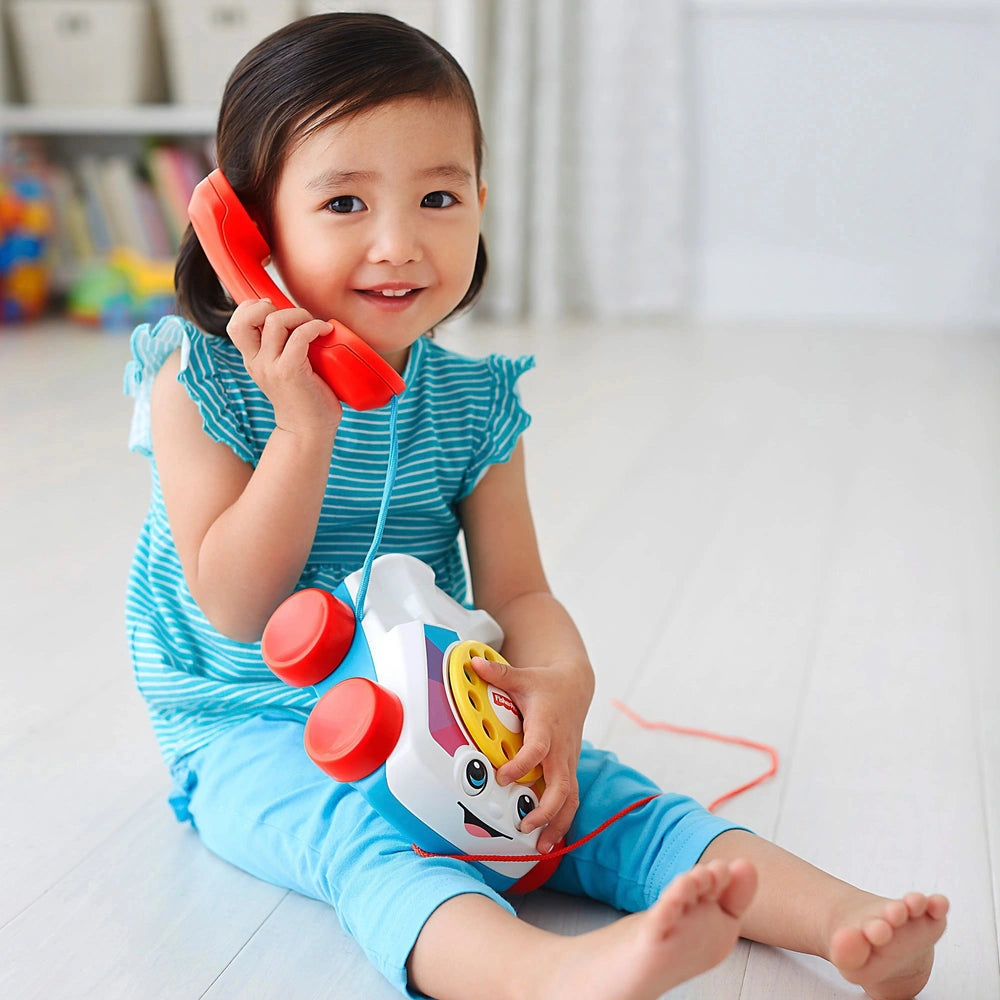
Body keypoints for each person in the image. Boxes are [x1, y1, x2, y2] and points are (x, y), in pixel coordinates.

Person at [124, 13, 948, 1000]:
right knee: (364, 840)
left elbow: (519, 589)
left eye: (438, 196)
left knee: (602, 799)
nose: (399, 243)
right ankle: (547, 972)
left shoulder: (470, 404)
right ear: (247, 234)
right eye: (344, 202)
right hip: (254, 726)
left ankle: (844, 922)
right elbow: (236, 607)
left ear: (481, 202)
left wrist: (562, 678)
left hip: (433, 694)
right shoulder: (198, 381)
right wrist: (305, 434)